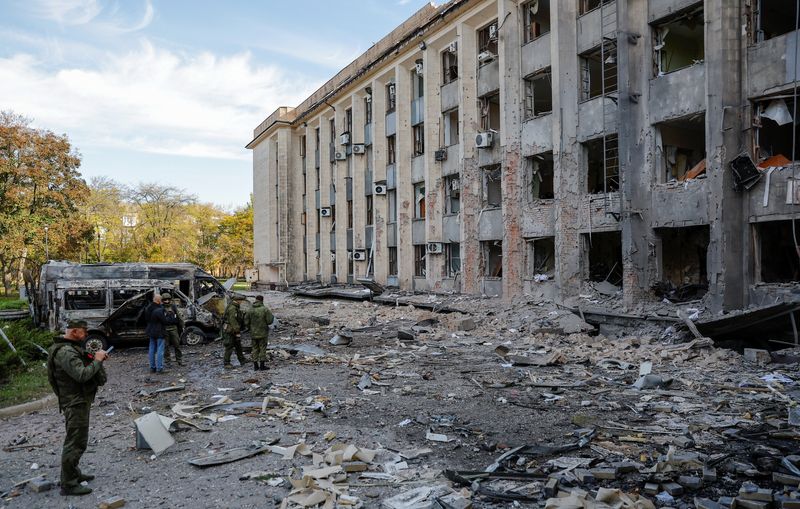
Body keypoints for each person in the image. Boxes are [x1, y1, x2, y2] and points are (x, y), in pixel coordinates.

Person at [47, 319, 108, 496]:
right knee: (75, 443)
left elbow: (84, 367)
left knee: (77, 439)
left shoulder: (70, 348)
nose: (86, 335)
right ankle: (68, 484)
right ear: (74, 332)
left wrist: (96, 359)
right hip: (75, 402)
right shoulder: (65, 352)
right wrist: (97, 361)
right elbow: (81, 375)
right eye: (84, 331)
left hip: (78, 400)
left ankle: (74, 473)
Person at [144, 293, 174, 373]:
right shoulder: (159, 309)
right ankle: (159, 368)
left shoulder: (147, 308)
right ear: (158, 300)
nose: (162, 301)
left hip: (151, 331)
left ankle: (152, 367)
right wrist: (170, 315)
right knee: (160, 350)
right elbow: (165, 321)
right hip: (160, 331)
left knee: (151, 349)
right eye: (161, 299)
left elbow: (146, 319)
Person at [245, 295, 274, 371]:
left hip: (253, 333)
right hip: (263, 333)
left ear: (256, 300)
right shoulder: (265, 309)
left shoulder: (250, 310)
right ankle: (262, 366)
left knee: (254, 348)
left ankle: (255, 366)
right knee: (262, 348)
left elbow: (246, 322)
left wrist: (250, 328)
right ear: (262, 300)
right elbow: (270, 321)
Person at [222, 295, 247, 368]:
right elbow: (233, 321)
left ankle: (242, 359)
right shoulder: (233, 308)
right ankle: (226, 363)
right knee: (229, 346)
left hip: (232, 329)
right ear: (238, 300)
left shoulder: (234, 306)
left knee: (238, 345)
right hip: (231, 330)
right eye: (241, 301)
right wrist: (237, 331)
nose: (242, 302)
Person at [161, 293, 183, 366]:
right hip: (164, 329)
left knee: (177, 345)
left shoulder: (173, 307)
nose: (167, 301)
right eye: (165, 300)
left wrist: (182, 325)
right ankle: (168, 362)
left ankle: (179, 360)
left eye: (168, 299)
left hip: (173, 328)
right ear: (162, 300)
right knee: (166, 346)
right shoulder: (161, 308)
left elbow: (179, 316)